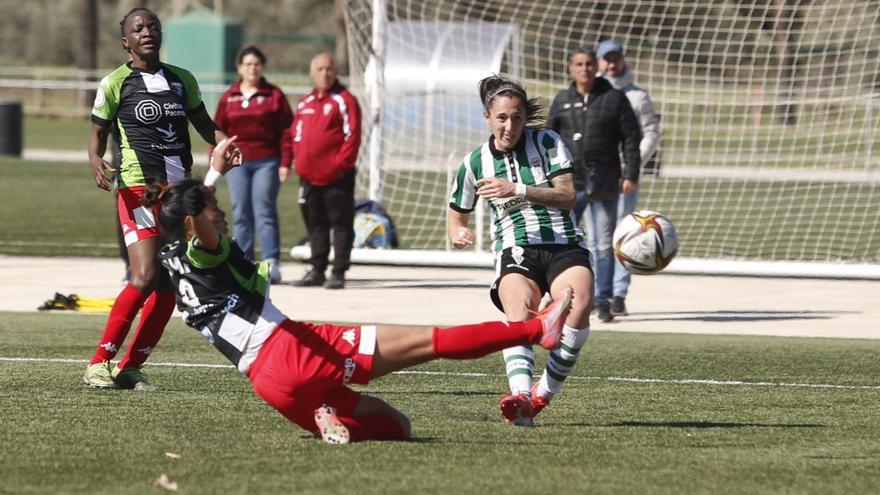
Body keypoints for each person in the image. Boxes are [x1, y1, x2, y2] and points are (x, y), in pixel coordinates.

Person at [144, 137, 573, 443]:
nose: (221, 215)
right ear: (193, 224)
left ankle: (329, 417)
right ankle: (537, 332)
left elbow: (191, 213)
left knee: (396, 425)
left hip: (271, 386)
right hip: (294, 352)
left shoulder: (172, 259)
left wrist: (215, 172)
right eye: (214, 210)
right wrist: (209, 184)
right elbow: (199, 215)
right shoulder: (205, 249)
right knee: (433, 341)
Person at [83, 7, 234, 390]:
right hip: (137, 191)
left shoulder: (182, 80)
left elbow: (204, 126)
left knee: (169, 286)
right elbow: (98, 133)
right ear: (125, 40)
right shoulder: (115, 83)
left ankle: (131, 367)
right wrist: (94, 159)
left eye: (153, 26)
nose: (147, 32)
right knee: (146, 276)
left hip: (177, 197)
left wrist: (226, 143)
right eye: (138, 28)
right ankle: (100, 361)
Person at [447, 75, 593, 427]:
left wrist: (518, 189)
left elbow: (569, 196)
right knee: (517, 310)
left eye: (516, 117)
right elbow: (456, 217)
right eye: (502, 118)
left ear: (525, 117)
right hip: (516, 247)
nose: (509, 125)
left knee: (580, 304)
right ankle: (522, 398)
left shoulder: (547, 142)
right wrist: (458, 232)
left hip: (563, 242)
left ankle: (543, 394)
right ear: (487, 117)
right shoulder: (474, 163)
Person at [547, 47, 641, 323]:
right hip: (568, 184)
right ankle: (556, 295)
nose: (584, 68)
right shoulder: (562, 100)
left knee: (602, 244)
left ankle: (602, 300)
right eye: (579, 64)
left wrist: (630, 174)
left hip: (604, 182)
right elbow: (548, 139)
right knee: (559, 240)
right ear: (570, 68)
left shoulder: (614, 98)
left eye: (589, 63)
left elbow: (631, 140)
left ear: (595, 67)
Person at [213, 45, 293, 284]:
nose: (252, 68)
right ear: (239, 67)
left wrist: (285, 162)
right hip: (238, 163)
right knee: (240, 212)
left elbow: (287, 131)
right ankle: (242, 262)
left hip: (267, 161)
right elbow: (217, 131)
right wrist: (216, 160)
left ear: (263, 67)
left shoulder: (274, 95)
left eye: (257, 64)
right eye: (248, 64)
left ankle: (271, 263)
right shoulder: (230, 97)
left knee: (264, 209)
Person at [596, 39, 661, 317]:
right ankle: (598, 292)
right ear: (598, 62)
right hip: (597, 176)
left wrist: (631, 166)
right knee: (596, 237)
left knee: (626, 234)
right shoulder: (590, 94)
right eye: (606, 59)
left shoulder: (637, 96)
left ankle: (618, 295)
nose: (612, 64)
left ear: (623, 60)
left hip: (624, 176)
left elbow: (651, 133)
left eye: (616, 58)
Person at [289, 52, 362, 290]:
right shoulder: (306, 102)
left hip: (336, 177)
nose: (325, 73)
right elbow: (296, 135)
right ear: (312, 72)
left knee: (340, 224)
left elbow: (352, 137)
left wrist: (339, 166)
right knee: (315, 224)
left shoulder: (345, 100)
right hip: (309, 177)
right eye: (320, 69)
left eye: (329, 69)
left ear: (336, 72)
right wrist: (298, 162)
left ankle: (339, 271)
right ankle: (317, 269)